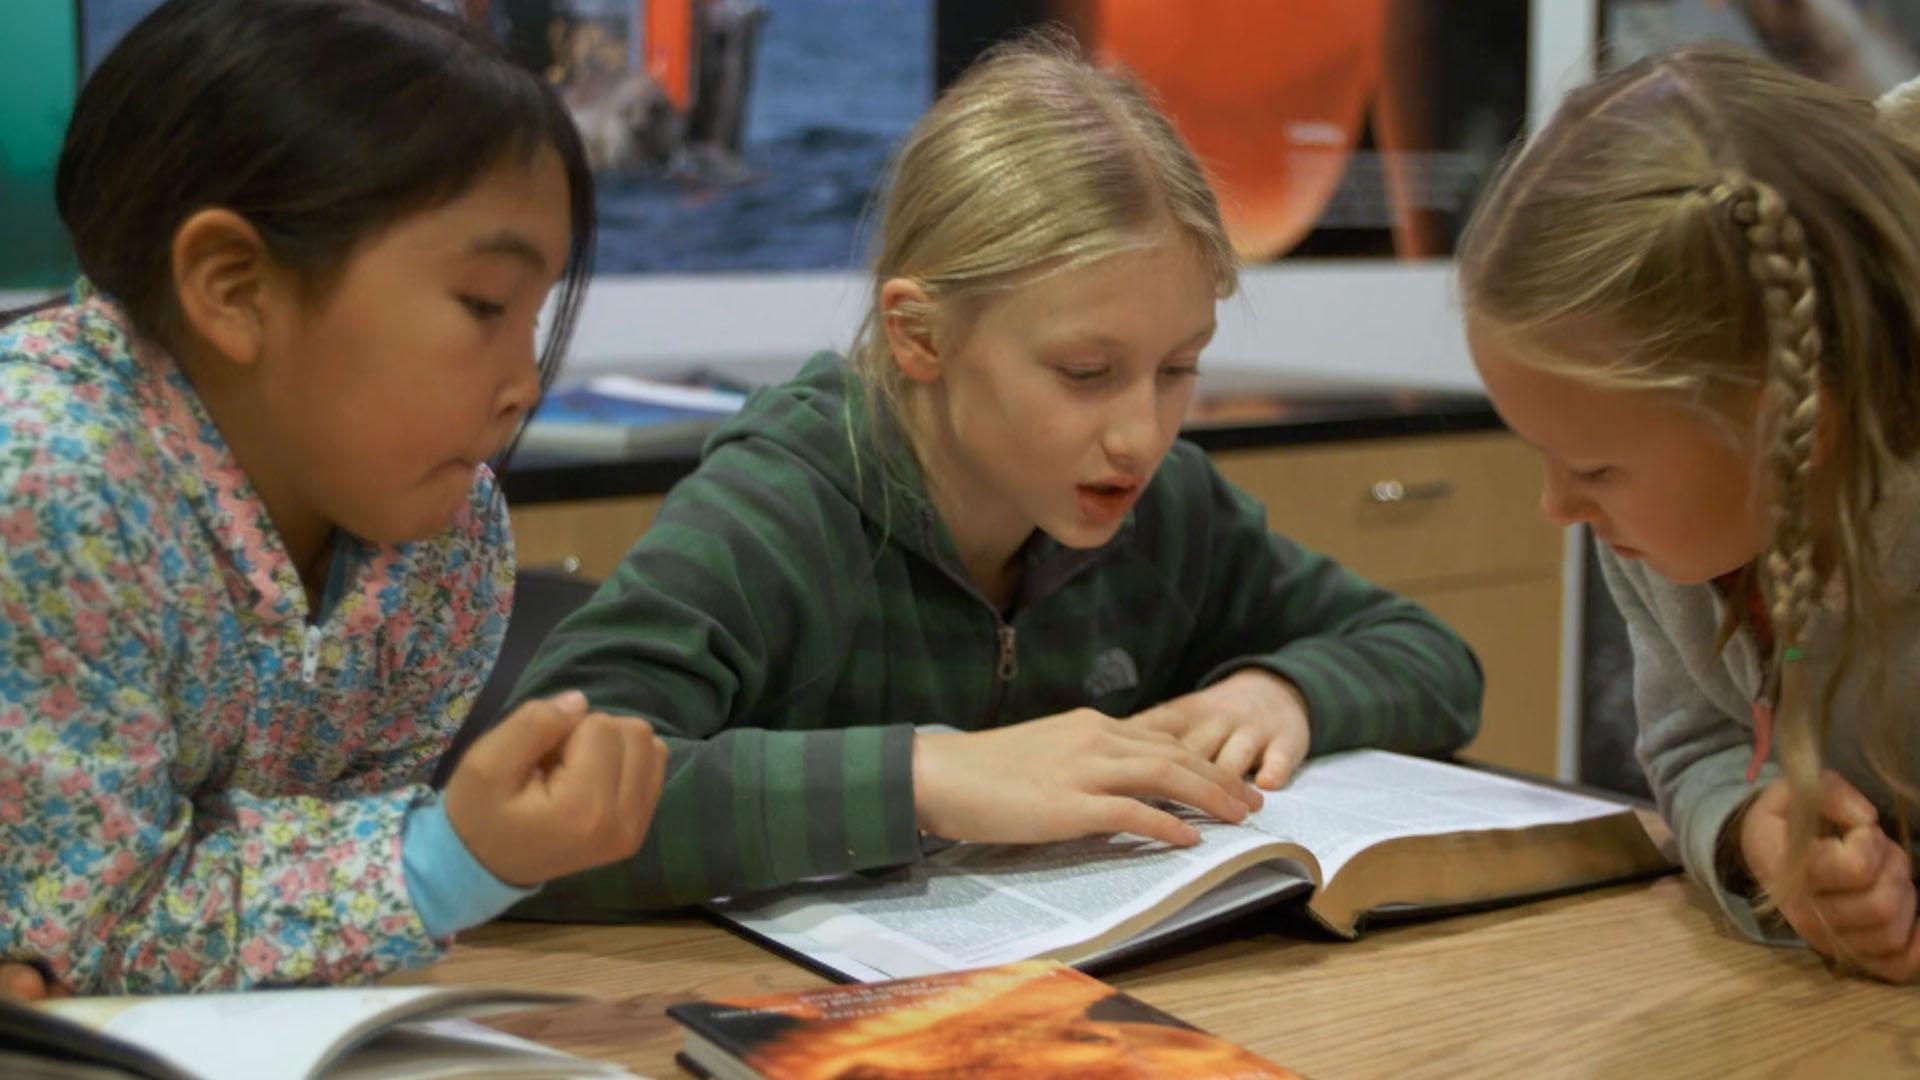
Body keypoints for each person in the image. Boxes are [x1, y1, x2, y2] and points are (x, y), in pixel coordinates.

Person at [498, 38, 1482, 918]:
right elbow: (536, 806)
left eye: (1179, 369)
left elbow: (1432, 657)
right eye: (1085, 374)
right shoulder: (775, 515)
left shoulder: (1172, 510)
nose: (1141, 435)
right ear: (921, 336)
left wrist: (1285, 691)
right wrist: (925, 775)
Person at [0, 0, 666, 996]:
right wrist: (438, 865)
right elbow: (81, 924)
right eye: (484, 304)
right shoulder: (45, 474)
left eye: (533, 314)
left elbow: (290, 871)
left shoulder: (447, 534)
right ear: (233, 287)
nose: (525, 380)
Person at [1459, 43, 1920, 981]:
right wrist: (1754, 834)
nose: (1556, 507)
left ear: (1797, 428)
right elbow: (1693, 740)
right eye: (1541, 454)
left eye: (1593, 466)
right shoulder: (1665, 529)